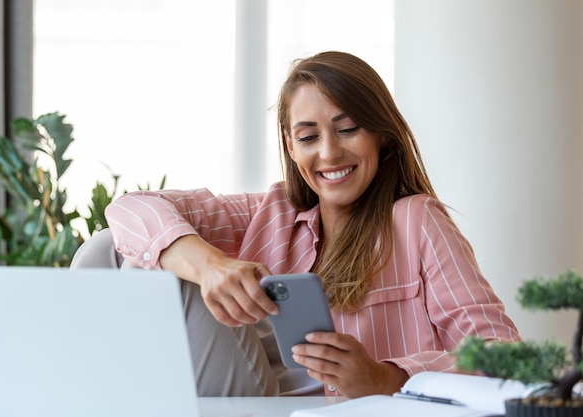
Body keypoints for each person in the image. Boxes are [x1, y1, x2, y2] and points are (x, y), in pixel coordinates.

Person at [104, 51, 520, 398]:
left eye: (348, 129)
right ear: (290, 144)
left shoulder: (415, 221)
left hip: (331, 409)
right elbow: (129, 209)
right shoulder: (271, 212)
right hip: (243, 395)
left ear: (382, 134)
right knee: (105, 249)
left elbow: (505, 356)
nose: (329, 153)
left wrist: (386, 377)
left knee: (162, 272)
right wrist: (212, 266)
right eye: (308, 137)